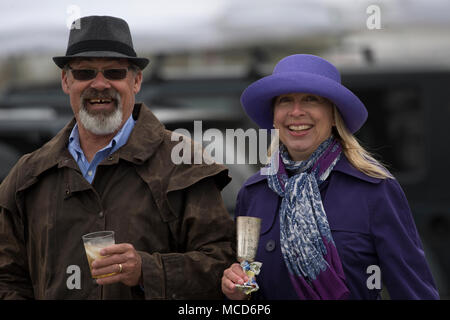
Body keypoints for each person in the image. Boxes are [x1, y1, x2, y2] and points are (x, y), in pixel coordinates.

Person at [0, 15, 235, 299]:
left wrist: (147, 270)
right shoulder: (29, 174)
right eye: (85, 72)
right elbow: (7, 276)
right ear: (66, 81)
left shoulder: (183, 163)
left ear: (136, 81)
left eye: (114, 72)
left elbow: (223, 265)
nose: (99, 84)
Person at [221, 54, 439, 300]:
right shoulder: (254, 193)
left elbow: (413, 291)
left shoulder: (375, 189)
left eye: (311, 99)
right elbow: (248, 278)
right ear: (274, 115)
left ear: (334, 114)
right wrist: (238, 288)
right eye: (285, 100)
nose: (296, 112)